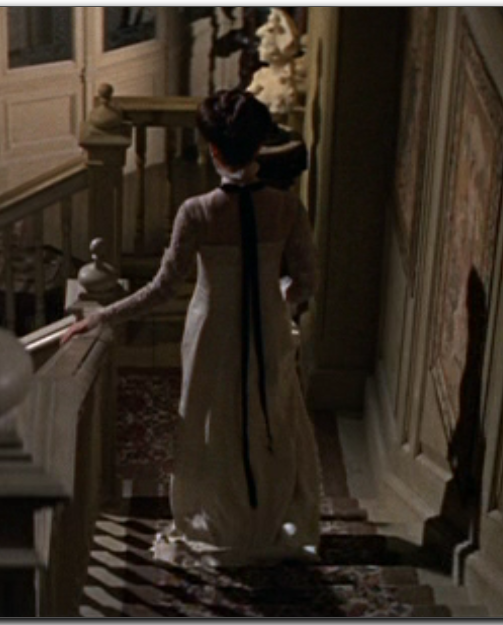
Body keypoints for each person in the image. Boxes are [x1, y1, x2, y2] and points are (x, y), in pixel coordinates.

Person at [62, 90, 321, 566]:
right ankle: (266, 514)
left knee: (212, 422)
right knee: (268, 413)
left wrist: (100, 316)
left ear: (214, 149)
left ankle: (222, 518)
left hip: (212, 333)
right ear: (256, 146)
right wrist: (275, 298)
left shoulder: (197, 211)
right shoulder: (288, 208)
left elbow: (162, 289)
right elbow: (306, 282)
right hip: (267, 327)